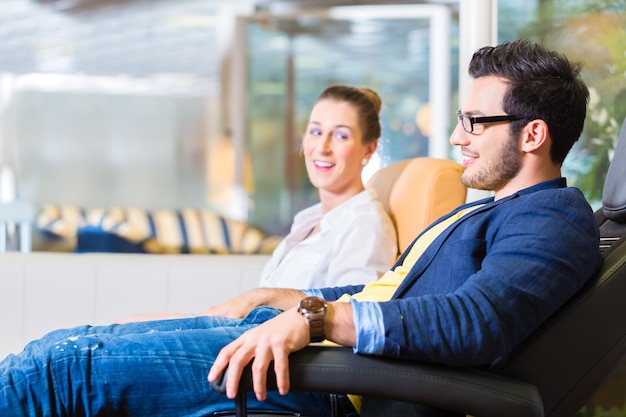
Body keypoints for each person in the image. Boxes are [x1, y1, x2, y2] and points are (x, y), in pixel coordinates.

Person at [0, 39, 603, 417]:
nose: (455, 137)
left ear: (532, 134)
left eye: (474, 122)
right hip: (311, 354)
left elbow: (480, 323)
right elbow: (382, 295)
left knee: (55, 373)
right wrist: (287, 303)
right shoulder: (489, 210)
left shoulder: (553, 219)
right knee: (57, 347)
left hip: (329, 384)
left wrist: (314, 319)